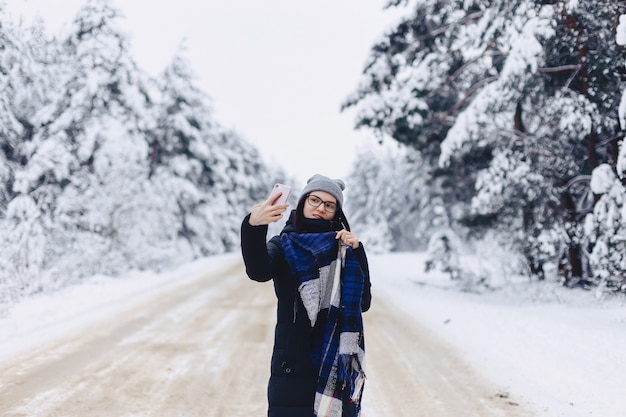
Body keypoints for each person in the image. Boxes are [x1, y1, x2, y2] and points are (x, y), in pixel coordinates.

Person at [240, 174, 372, 417]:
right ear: (302, 203)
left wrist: (357, 252)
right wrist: (253, 226)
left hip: (335, 360)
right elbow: (258, 271)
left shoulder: (343, 250)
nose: (320, 208)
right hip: (292, 362)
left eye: (329, 205)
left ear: (336, 213)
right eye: (314, 200)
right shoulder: (284, 245)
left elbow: (363, 302)